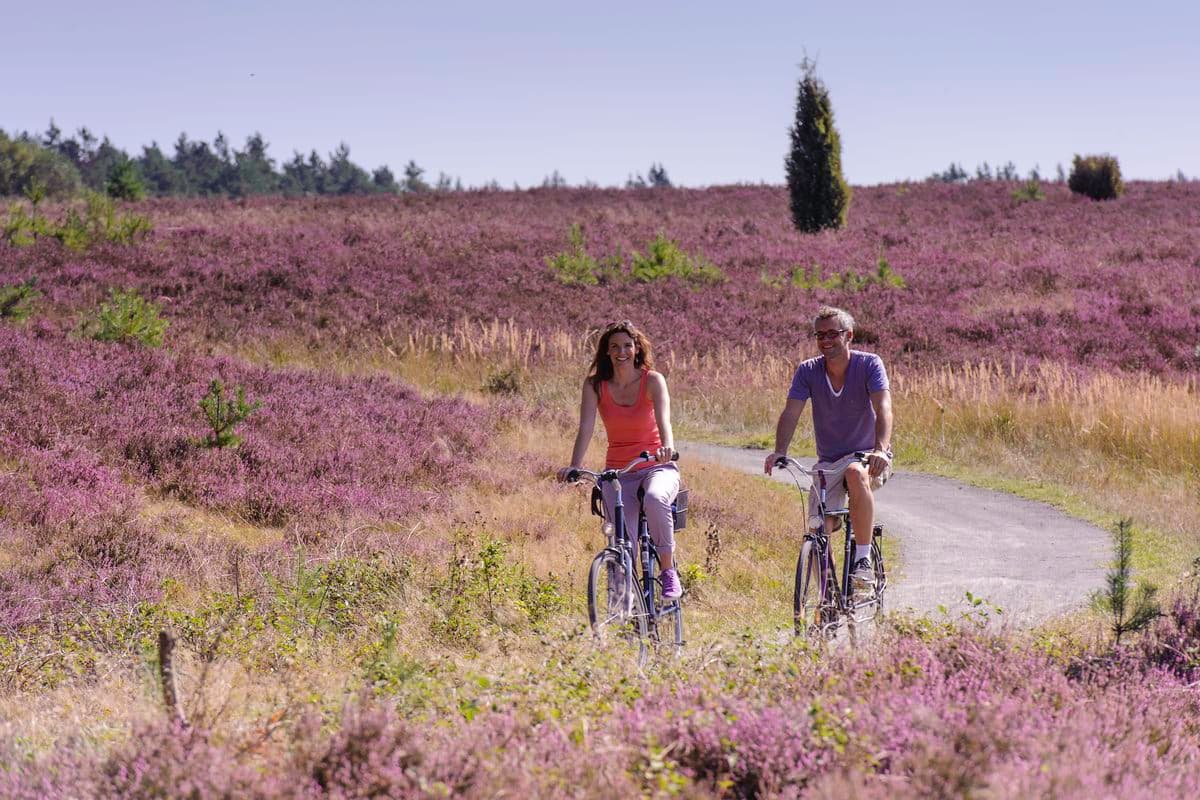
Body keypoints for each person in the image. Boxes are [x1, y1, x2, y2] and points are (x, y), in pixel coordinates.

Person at [764, 306, 893, 595]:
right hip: (829, 462)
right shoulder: (808, 371)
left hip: (867, 457)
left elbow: (883, 408)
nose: (826, 341)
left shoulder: (870, 364)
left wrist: (881, 450)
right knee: (819, 529)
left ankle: (862, 561)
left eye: (833, 334)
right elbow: (791, 412)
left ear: (848, 335)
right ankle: (828, 596)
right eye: (820, 335)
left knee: (854, 472)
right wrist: (779, 451)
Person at [557, 320, 683, 598]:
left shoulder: (652, 380)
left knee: (654, 498)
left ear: (637, 348)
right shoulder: (595, 385)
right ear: (606, 352)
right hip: (618, 472)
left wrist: (667, 448)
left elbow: (665, 422)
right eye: (614, 346)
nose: (621, 351)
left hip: (656, 465)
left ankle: (667, 570)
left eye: (627, 345)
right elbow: (586, 428)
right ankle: (624, 602)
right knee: (624, 540)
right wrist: (575, 467)